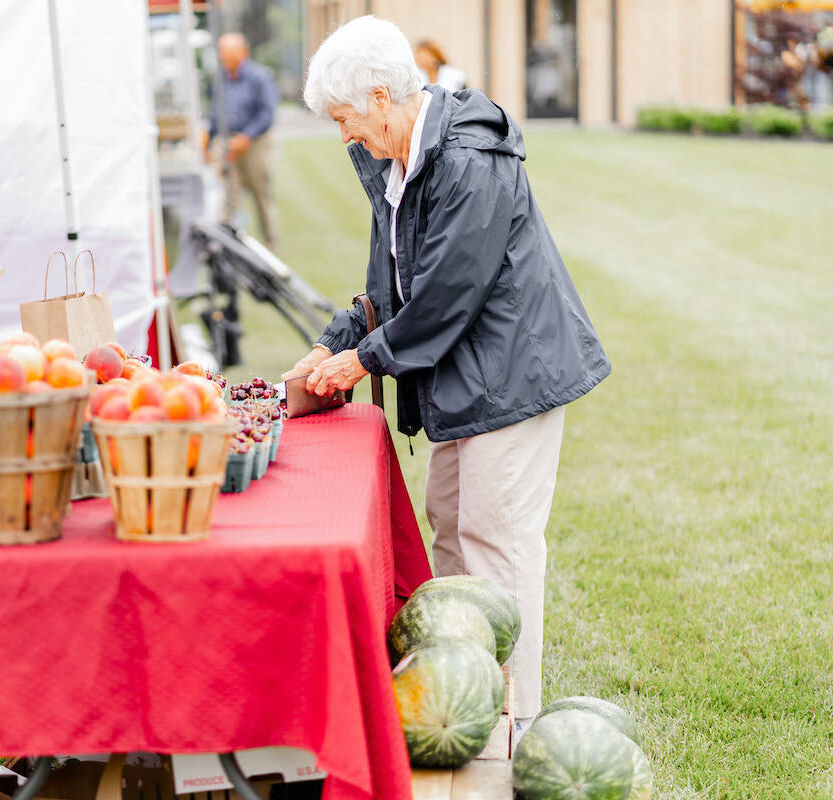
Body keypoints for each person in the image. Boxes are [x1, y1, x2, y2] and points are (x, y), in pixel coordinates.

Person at [286, 16, 610, 735]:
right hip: (461, 374)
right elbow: (394, 277)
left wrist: (363, 359)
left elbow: (445, 293)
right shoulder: (388, 156)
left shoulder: (469, 159)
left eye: (344, 119)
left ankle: (511, 723)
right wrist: (340, 335)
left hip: (511, 372)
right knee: (453, 537)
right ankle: (464, 702)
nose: (344, 136)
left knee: (497, 543)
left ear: (378, 97)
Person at [208, 32, 281, 251]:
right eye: (221, 53)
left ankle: (271, 245)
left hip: (255, 143)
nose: (223, 57)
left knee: (261, 194)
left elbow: (267, 114)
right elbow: (215, 112)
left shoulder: (259, 77)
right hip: (227, 143)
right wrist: (210, 139)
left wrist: (246, 137)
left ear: (242, 53)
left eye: (227, 53)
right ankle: (226, 245)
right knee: (229, 194)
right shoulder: (219, 79)